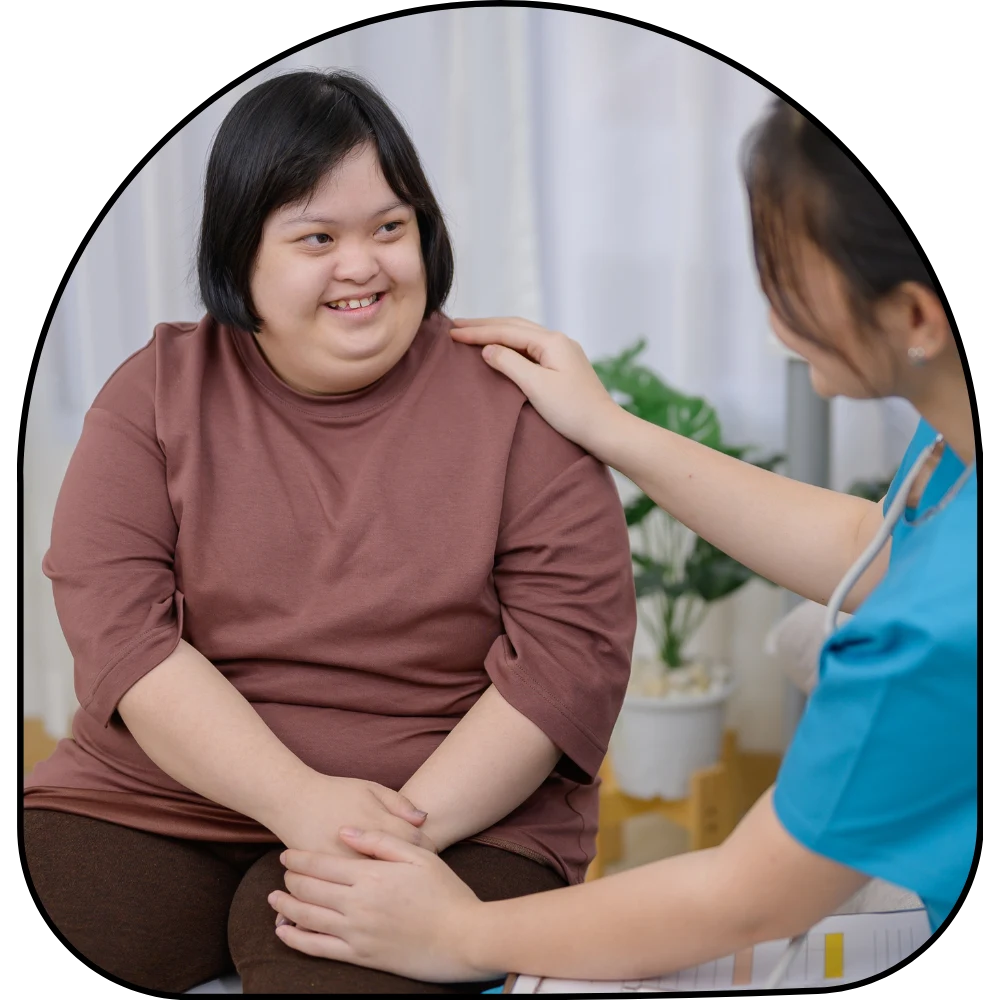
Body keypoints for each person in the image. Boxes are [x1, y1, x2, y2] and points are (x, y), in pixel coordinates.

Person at [264, 98, 978, 985]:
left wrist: (460, 934)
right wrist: (613, 429)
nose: (770, 315)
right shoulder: (955, 448)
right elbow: (872, 541)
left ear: (914, 318)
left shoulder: (928, 638)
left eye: (790, 273)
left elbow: (747, 896)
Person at [23, 70, 637, 994]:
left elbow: (567, 663)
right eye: (318, 238)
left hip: (453, 819)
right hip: (156, 799)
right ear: (241, 261)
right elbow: (123, 637)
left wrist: (379, 837)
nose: (363, 265)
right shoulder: (152, 391)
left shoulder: (521, 403)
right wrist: (295, 801)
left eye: (390, 229)